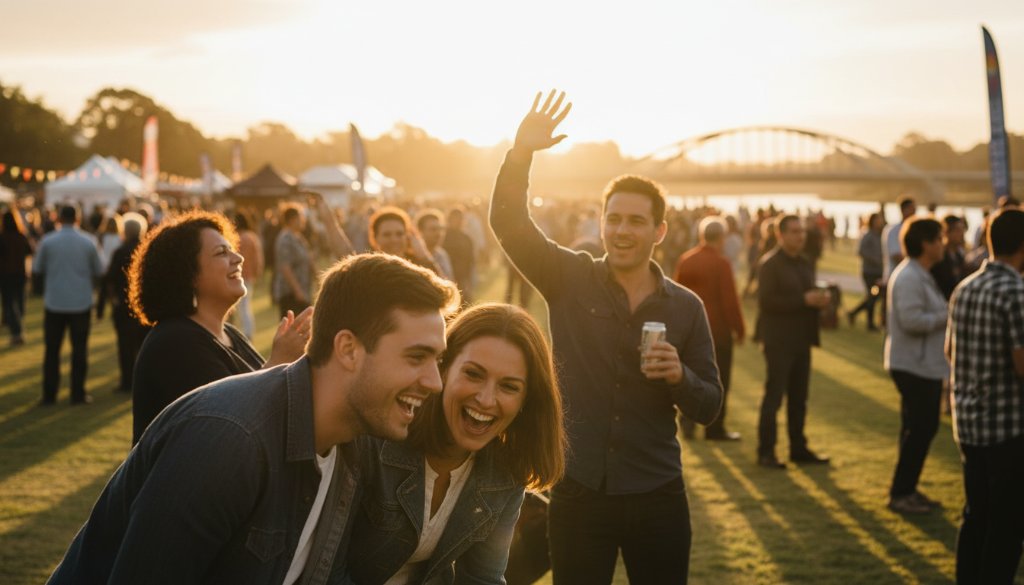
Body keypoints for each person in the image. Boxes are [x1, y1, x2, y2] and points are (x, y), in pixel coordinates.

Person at [47, 253, 460, 585]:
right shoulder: (228, 438)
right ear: (348, 350)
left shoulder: (356, 444)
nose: (435, 382)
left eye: (437, 360)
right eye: (417, 357)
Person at [490, 91, 722, 584]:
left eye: (636, 221)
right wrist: (522, 153)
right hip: (578, 493)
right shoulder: (569, 277)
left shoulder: (685, 307)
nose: (622, 230)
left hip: (658, 494)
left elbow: (710, 406)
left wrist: (680, 377)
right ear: (601, 223)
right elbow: (509, 223)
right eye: (613, 218)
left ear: (659, 231)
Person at [338, 303, 566, 584]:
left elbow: (483, 577)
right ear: (442, 369)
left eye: (508, 386)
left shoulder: (506, 472)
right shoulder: (377, 438)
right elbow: (325, 566)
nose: (485, 399)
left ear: (526, 402)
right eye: (473, 374)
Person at [128, 210, 311, 443]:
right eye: (221, 252)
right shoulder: (174, 344)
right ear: (188, 274)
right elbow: (228, 426)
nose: (238, 258)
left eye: (232, 249)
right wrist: (279, 363)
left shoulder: (230, 335)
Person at [948, 208, 1024, 584]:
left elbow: (950, 351)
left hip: (968, 424)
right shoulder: (1015, 292)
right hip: (1006, 428)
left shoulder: (964, 287)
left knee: (975, 515)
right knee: (1007, 524)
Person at [755, 214, 831, 468]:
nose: (801, 236)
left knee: (799, 399)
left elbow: (807, 295)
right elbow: (766, 302)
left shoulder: (804, 262)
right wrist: (803, 300)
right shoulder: (770, 264)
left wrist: (819, 301)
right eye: (795, 232)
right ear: (781, 234)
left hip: (802, 339)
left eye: (802, 232)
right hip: (778, 341)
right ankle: (766, 452)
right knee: (774, 398)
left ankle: (798, 448)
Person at [883, 217, 948, 514]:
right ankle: (901, 493)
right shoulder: (909, 276)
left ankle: (907, 489)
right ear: (925, 244)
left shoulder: (919, 273)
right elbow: (910, 321)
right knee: (921, 428)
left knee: (916, 429)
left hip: (920, 363)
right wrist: (947, 317)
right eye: (938, 239)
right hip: (914, 365)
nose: (942, 244)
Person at [674, 216, 745, 441]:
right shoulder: (721, 263)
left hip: (689, 331)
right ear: (722, 238)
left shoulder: (686, 260)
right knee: (719, 380)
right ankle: (715, 428)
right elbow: (729, 300)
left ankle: (687, 422)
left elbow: (676, 297)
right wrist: (739, 329)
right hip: (718, 332)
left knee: (690, 378)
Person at [32, 205, 103, 406]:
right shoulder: (88, 241)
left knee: (52, 351)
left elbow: (37, 268)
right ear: (78, 218)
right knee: (79, 351)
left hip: (55, 301)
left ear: (59, 218)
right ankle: (78, 393)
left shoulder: (48, 241)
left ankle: (49, 394)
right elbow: (99, 269)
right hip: (80, 302)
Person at [97, 213, 150, 393]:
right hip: (146, 307)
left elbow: (109, 279)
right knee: (145, 347)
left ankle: (127, 382)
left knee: (125, 347)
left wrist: (103, 306)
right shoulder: (148, 250)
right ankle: (145, 382)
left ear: (125, 231)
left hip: (124, 306)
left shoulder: (120, 252)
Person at [274, 204, 316, 319]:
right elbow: (285, 267)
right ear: (292, 220)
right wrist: (297, 290)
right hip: (291, 294)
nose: (303, 221)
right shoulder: (285, 238)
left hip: (303, 291)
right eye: (300, 218)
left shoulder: (298, 237)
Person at [369, 206, 440, 273]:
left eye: (399, 234)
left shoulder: (418, 266)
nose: (394, 240)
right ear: (375, 237)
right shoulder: (368, 269)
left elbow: (441, 284)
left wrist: (423, 256)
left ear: (408, 236)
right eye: (387, 235)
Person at [1, 208, 33, 346]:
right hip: (20, 273)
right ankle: (17, 329)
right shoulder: (21, 236)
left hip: (5, 274)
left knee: (10, 303)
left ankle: (16, 332)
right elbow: (30, 251)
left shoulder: (2, 237)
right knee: (19, 302)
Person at [848, 212, 884, 331]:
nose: (881, 221)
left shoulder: (880, 235)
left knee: (873, 296)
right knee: (872, 296)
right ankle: (869, 324)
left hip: (878, 271)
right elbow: (861, 251)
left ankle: (853, 313)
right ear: (873, 221)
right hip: (869, 271)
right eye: (878, 220)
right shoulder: (868, 235)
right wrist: (875, 259)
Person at [234, 211, 264, 340]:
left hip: (240, 275)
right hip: (250, 275)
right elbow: (259, 258)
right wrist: (257, 272)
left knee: (243, 307)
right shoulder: (253, 236)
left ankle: (247, 333)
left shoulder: (240, 238)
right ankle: (248, 331)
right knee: (246, 306)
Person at [930, 214, 967, 300]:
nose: (962, 234)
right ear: (946, 232)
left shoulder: (959, 255)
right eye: (958, 230)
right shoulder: (938, 257)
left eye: (963, 230)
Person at [443, 206, 475, 303]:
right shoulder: (443, 236)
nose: (459, 221)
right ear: (449, 219)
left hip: (463, 278)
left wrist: (468, 281)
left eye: (461, 218)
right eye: (456, 218)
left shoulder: (466, 238)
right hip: (447, 278)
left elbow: (470, 260)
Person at [415, 209, 454, 280]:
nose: (438, 233)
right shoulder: (412, 257)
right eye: (433, 229)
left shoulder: (442, 255)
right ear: (420, 232)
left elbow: (448, 282)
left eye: (440, 229)